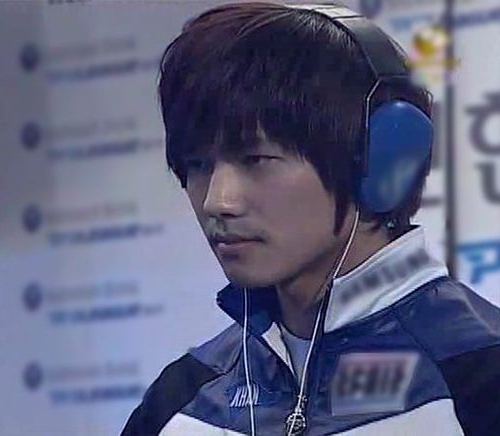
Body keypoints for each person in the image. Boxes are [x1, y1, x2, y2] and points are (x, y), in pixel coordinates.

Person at [121, 3, 500, 435]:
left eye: (256, 159)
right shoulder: (182, 402)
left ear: (378, 162)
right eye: (198, 165)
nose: (217, 201)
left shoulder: (480, 374)